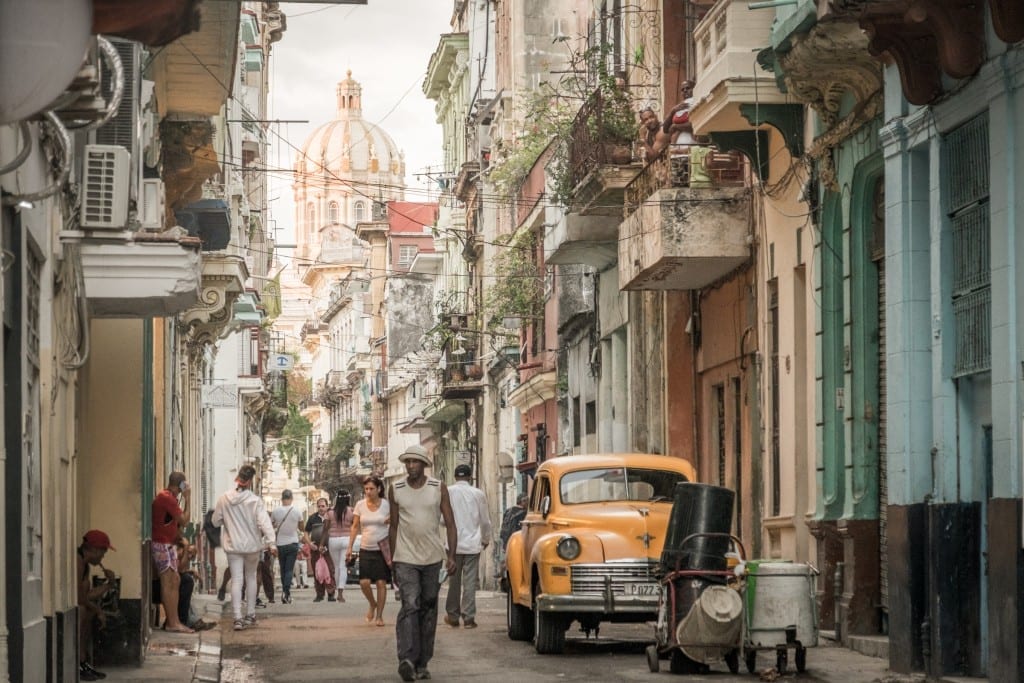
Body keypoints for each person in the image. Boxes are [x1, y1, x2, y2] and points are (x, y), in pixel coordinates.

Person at [388, 444, 457, 682]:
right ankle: (406, 659)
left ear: (424, 464)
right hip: (405, 557)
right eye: (407, 462)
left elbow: (449, 522)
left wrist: (452, 555)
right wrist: (393, 558)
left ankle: (422, 662)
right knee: (410, 604)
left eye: (415, 462)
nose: (410, 466)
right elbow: (394, 525)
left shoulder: (438, 488)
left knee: (428, 606)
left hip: (432, 558)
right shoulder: (395, 488)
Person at [211, 463, 277, 632]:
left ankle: (237, 618)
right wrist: (271, 542)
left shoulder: (224, 498)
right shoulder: (255, 501)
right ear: (250, 482)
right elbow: (265, 523)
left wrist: (228, 520)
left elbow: (215, 521)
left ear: (238, 479)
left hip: (233, 546)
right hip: (252, 546)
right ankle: (251, 614)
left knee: (236, 579)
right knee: (251, 577)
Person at [444, 464, 492, 629]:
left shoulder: (448, 492)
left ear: (455, 477)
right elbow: (485, 520)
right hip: (472, 544)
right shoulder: (478, 494)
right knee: (470, 581)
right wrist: (486, 538)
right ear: (470, 477)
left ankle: (452, 615)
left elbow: (442, 519)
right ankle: (469, 618)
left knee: (454, 582)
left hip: (453, 545)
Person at [151, 471, 193, 633]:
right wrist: (188, 499)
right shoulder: (166, 498)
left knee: (174, 580)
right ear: (181, 485)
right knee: (168, 581)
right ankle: (172, 622)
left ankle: (173, 620)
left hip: (167, 544)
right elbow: (184, 520)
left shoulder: (169, 498)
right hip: (161, 544)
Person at [348, 475, 391, 627]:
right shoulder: (360, 505)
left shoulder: (387, 505)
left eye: (372, 488)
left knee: (381, 582)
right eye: (366, 489)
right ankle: (372, 604)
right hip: (365, 548)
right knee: (364, 582)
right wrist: (349, 547)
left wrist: (391, 519)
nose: (368, 491)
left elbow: (396, 520)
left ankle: (379, 615)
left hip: (381, 549)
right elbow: (354, 527)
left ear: (379, 489)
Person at [78, 530, 116, 681]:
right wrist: (99, 611)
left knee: (88, 611)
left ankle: (83, 661)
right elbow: (80, 598)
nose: (103, 556)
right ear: (94, 549)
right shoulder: (78, 561)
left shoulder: (85, 565)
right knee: (84, 611)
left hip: (82, 603)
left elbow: (88, 595)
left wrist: (109, 585)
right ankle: (80, 663)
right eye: (103, 552)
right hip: (77, 607)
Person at [271, 489, 303, 604]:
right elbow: (301, 527)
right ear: (292, 498)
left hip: (280, 544)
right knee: (289, 569)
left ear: (282, 498)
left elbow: (272, 525)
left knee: (283, 568)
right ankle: (286, 592)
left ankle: (285, 592)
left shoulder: (276, 511)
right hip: (293, 543)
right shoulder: (297, 511)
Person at [324, 490, 354, 602]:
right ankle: (341, 592)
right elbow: (355, 527)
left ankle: (338, 591)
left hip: (333, 540)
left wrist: (322, 543)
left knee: (336, 567)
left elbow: (325, 528)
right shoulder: (351, 511)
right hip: (346, 540)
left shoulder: (330, 512)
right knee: (343, 566)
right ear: (347, 498)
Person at [305, 497, 336, 602]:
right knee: (317, 572)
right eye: (319, 506)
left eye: (323, 506)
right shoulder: (312, 518)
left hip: (329, 549)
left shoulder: (331, 517)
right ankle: (319, 594)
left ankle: (331, 594)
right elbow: (305, 533)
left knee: (330, 571)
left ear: (327, 506)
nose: (321, 508)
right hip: (315, 549)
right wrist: (310, 544)